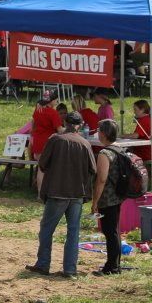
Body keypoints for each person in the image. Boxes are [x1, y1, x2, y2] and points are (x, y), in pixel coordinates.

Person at [28, 108, 96, 277]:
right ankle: (70, 269)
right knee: (73, 232)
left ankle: (43, 264)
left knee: (47, 229)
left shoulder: (55, 140)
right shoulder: (85, 143)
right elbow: (92, 169)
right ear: (80, 126)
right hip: (77, 194)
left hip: (57, 192)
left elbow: (42, 164)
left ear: (65, 123)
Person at [92, 119, 130, 275]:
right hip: (119, 195)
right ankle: (115, 264)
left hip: (107, 197)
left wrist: (95, 202)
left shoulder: (104, 153)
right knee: (114, 230)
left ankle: (112, 266)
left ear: (104, 134)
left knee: (110, 232)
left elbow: (101, 179)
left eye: (99, 131)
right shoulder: (120, 149)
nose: (98, 134)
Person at [29, 91, 62, 160]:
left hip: (37, 148)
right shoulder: (53, 113)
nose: (57, 101)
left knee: (41, 169)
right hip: (48, 149)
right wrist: (71, 128)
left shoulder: (38, 110)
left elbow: (32, 127)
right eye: (56, 100)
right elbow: (60, 131)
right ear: (52, 101)